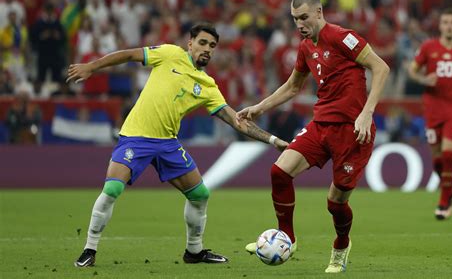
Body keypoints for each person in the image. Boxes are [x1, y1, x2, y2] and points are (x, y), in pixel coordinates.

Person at [66, 23, 289, 267]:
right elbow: (129, 54)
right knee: (112, 191)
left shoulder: (207, 85)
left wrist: (273, 140)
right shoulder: (170, 53)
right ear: (190, 43)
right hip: (136, 137)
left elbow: (237, 121)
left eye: (212, 46)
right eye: (202, 43)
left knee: (200, 194)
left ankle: (194, 252)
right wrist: (91, 67)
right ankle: (90, 249)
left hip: (167, 144)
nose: (207, 49)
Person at [237, 0, 389, 273]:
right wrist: (259, 108)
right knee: (279, 172)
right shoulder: (306, 46)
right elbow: (293, 87)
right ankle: (288, 239)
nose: (300, 24)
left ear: (319, 13)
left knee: (335, 202)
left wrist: (367, 113)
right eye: (295, 19)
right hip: (321, 125)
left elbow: (381, 68)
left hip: (352, 131)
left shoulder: (344, 37)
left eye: (304, 17)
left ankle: (341, 246)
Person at [408, 8, 452, 220]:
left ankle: (445, 200)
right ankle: (451, 188)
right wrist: (423, 80)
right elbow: (412, 69)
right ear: (440, 25)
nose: (449, 26)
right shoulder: (429, 47)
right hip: (432, 106)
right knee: (437, 160)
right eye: (445, 22)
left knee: (448, 154)